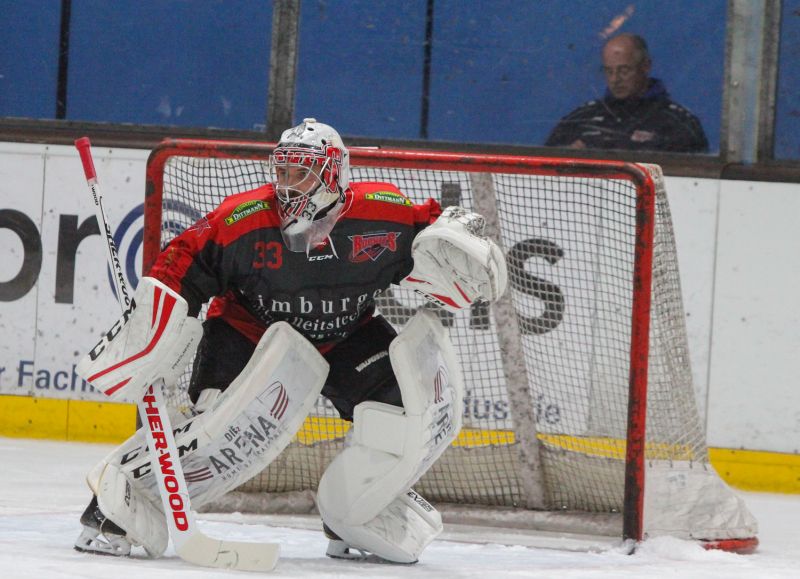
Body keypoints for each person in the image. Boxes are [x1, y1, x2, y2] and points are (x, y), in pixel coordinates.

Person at [72, 118, 507, 564]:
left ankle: (355, 510)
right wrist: (155, 323)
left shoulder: (381, 212)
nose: (286, 184)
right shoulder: (243, 218)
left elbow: (428, 228)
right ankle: (119, 507)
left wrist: (453, 234)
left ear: (333, 174)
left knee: (407, 411)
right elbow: (185, 259)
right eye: (281, 171)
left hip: (346, 334)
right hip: (250, 332)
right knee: (215, 425)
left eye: (301, 172)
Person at [545, 33, 709, 153]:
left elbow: (696, 179)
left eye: (624, 70)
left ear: (645, 66)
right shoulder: (583, 117)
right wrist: (568, 156)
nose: (615, 79)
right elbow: (545, 162)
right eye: (609, 71)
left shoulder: (678, 123)